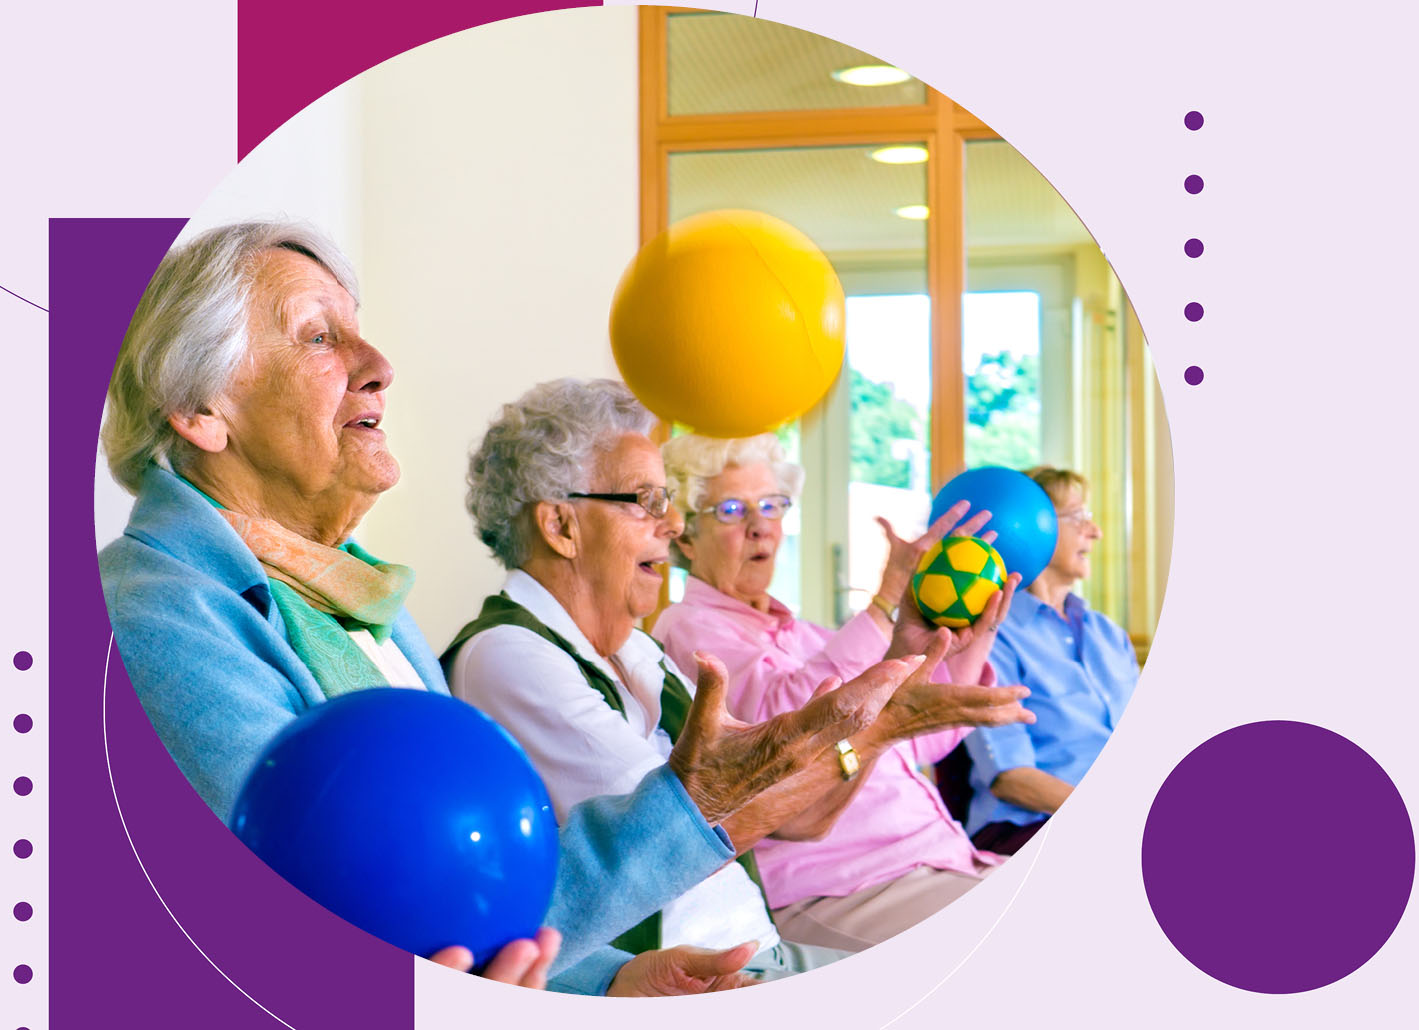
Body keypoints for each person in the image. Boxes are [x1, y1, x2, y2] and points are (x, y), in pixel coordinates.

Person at [97, 221, 901, 996]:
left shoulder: (362, 597)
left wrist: (603, 982)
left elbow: (473, 887)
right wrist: (711, 793)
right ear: (202, 411)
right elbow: (346, 914)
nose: (377, 364)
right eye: (318, 337)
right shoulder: (157, 614)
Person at [444, 381, 1033, 973]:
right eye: (645, 500)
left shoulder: (639, 654)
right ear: (561, 527)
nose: (670, 524)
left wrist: (911, 676)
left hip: (754, 945)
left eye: (668, 500)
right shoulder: (513, 656)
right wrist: (880, 726)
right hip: (689, 973)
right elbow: (673, 834)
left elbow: (798, 814)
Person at [652, 431, 1026, 952]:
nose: (760, 525)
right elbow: (792, 722)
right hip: (836, 886)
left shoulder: (808, 636)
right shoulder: (688, 629)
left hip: (938, 860)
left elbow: (917, 740)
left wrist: (970, 637)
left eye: (772, 505)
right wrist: (884, 604)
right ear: (686, 538)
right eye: (733, 509)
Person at [962, 466, 1141, 854]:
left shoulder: (1108, 635)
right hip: (1028, 826)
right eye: (1078, 518)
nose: (1095, 532)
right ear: (1030, 526)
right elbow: (1010, 776)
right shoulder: (991, 638)